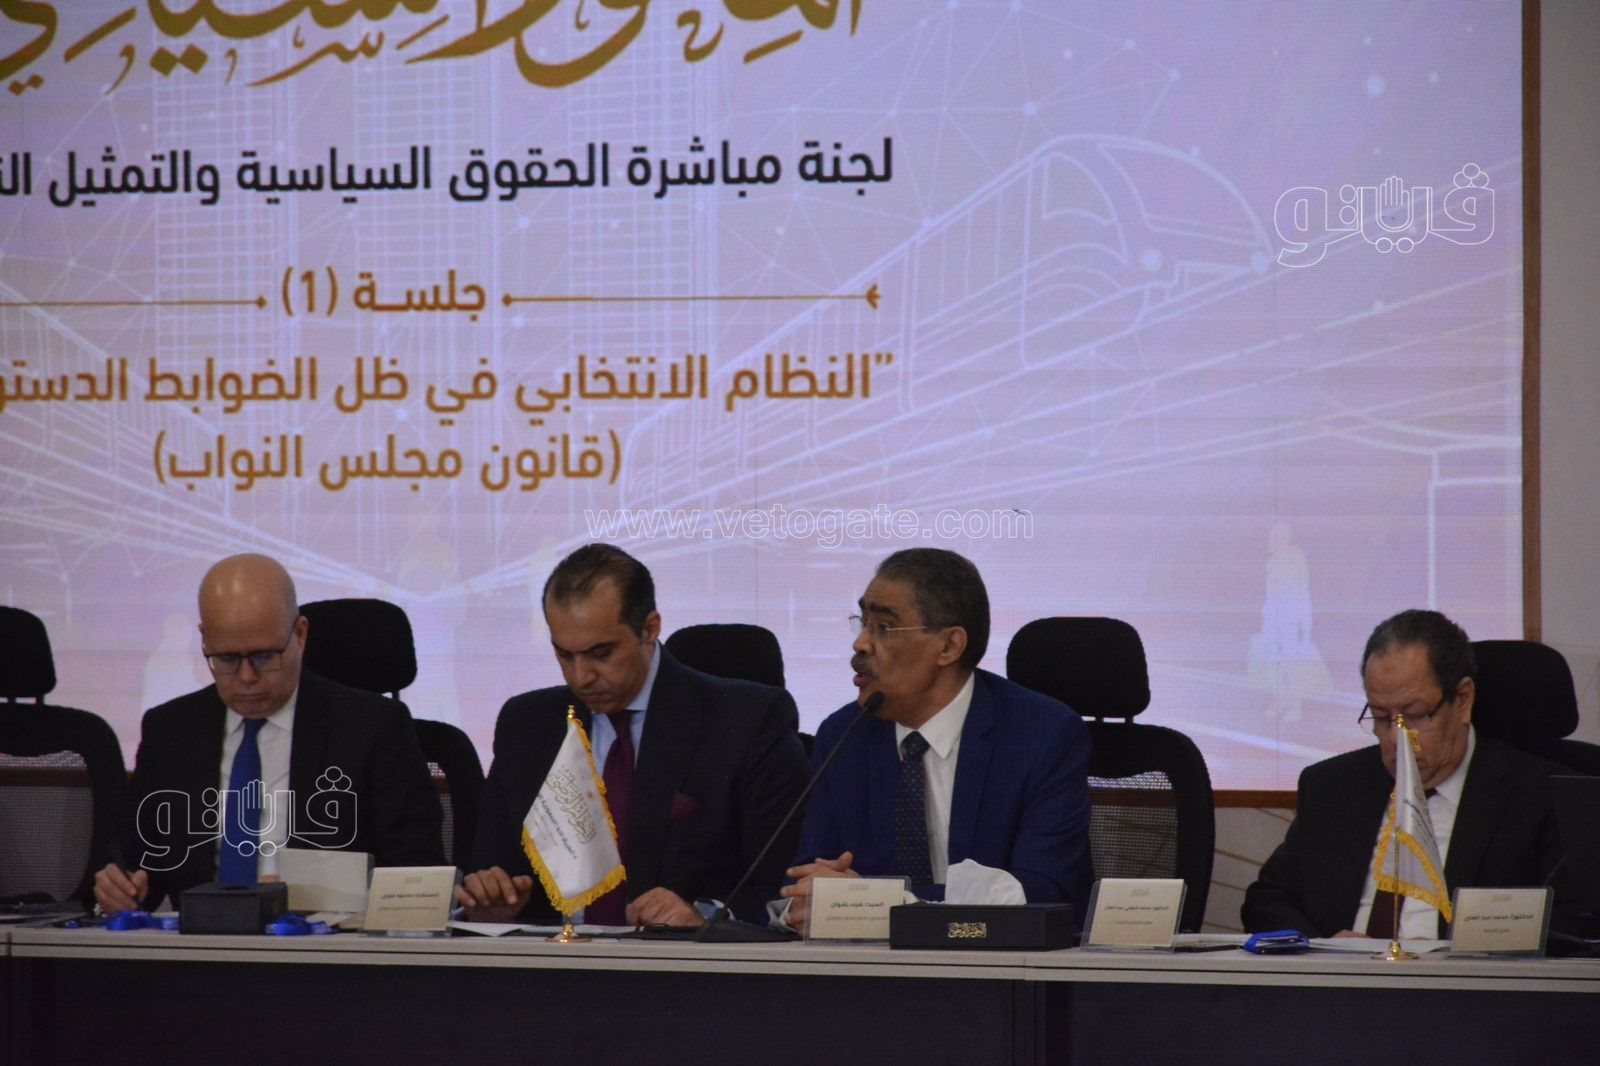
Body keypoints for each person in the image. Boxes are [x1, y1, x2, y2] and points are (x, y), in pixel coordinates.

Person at [457, 543, 809, 927]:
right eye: (564, 655)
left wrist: (706, 917)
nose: (581, 677)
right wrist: (490, 902)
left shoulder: (747, 720)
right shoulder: (527, 724)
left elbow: (782, 883)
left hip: (684, 961)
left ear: (649, 629)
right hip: (548, 957)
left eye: (601, 653)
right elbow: (492, 870)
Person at [93, 554, 444, 914]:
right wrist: (121, 888)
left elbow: (417, 874)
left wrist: (307, 892)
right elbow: (141, 864)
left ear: (300, 635)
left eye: (263, 657)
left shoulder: (373, 728)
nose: (246, 677)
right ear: (204, 640)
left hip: (327, 941)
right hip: (203, 939)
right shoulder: (170, 730)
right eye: (227, 659)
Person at [781, 548, 1092, 932]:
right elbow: (810, 879)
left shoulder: (1041, 736)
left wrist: (884, 906)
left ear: (948, 646)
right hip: (870, 964)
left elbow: (1041, 891)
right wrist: (814, 900)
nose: (860, 643)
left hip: (1000, 964)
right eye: (863, 623)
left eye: (884, 627)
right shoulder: (844, 735)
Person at [1242, 608, 1569, 939]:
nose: (1396, 738)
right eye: (1382, 717)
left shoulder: (1540, 798)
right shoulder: (1333, 787)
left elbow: (1571, 924)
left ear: (1463, 699)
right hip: (1344, 970)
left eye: (1415, 715)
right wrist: (1324, 948)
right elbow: (1266, 902)